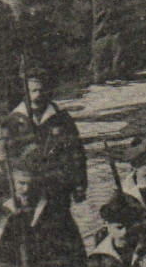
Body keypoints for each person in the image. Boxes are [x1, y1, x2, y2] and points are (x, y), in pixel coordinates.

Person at [5, 64, 87, 208]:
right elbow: (9, 157)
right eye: (33, 91)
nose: (38, 95)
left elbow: (76, 151)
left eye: (41, 90)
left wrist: (79, 184)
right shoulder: (15, 120)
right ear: (25, 92)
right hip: (28, 187)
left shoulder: (61, 117)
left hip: (57, 186)